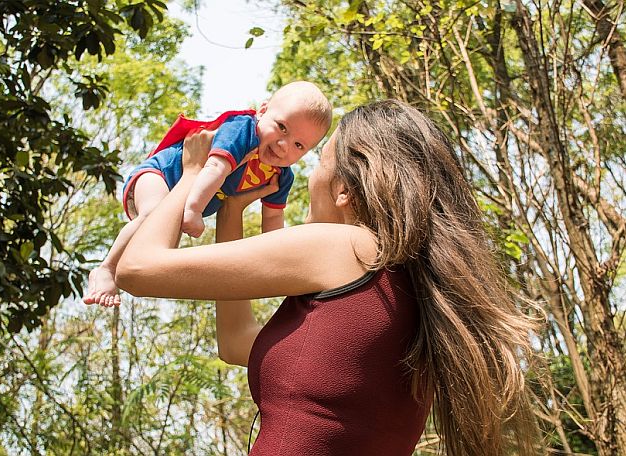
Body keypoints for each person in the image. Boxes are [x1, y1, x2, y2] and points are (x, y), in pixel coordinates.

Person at [114, 100, 540, 455]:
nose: (308, 175)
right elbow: (237, 342)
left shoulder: (347, 247)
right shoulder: (410, 289)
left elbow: (138, 269)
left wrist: (191, 174)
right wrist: (232, 208)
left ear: (344, 191)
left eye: (319, 160)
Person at [83, 81, 332, 306]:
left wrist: (281, 263)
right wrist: (194, 209)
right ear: (263, 111)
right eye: (281, 128)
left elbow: (273, 221)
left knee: (163, 246)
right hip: (161, 174)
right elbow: (215, 167)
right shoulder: (243, 130)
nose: (283, 145)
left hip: (184, 198)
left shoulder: (280, 176)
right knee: (152, 214)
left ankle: (125, 271)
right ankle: (106, 268)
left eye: (299, 145)